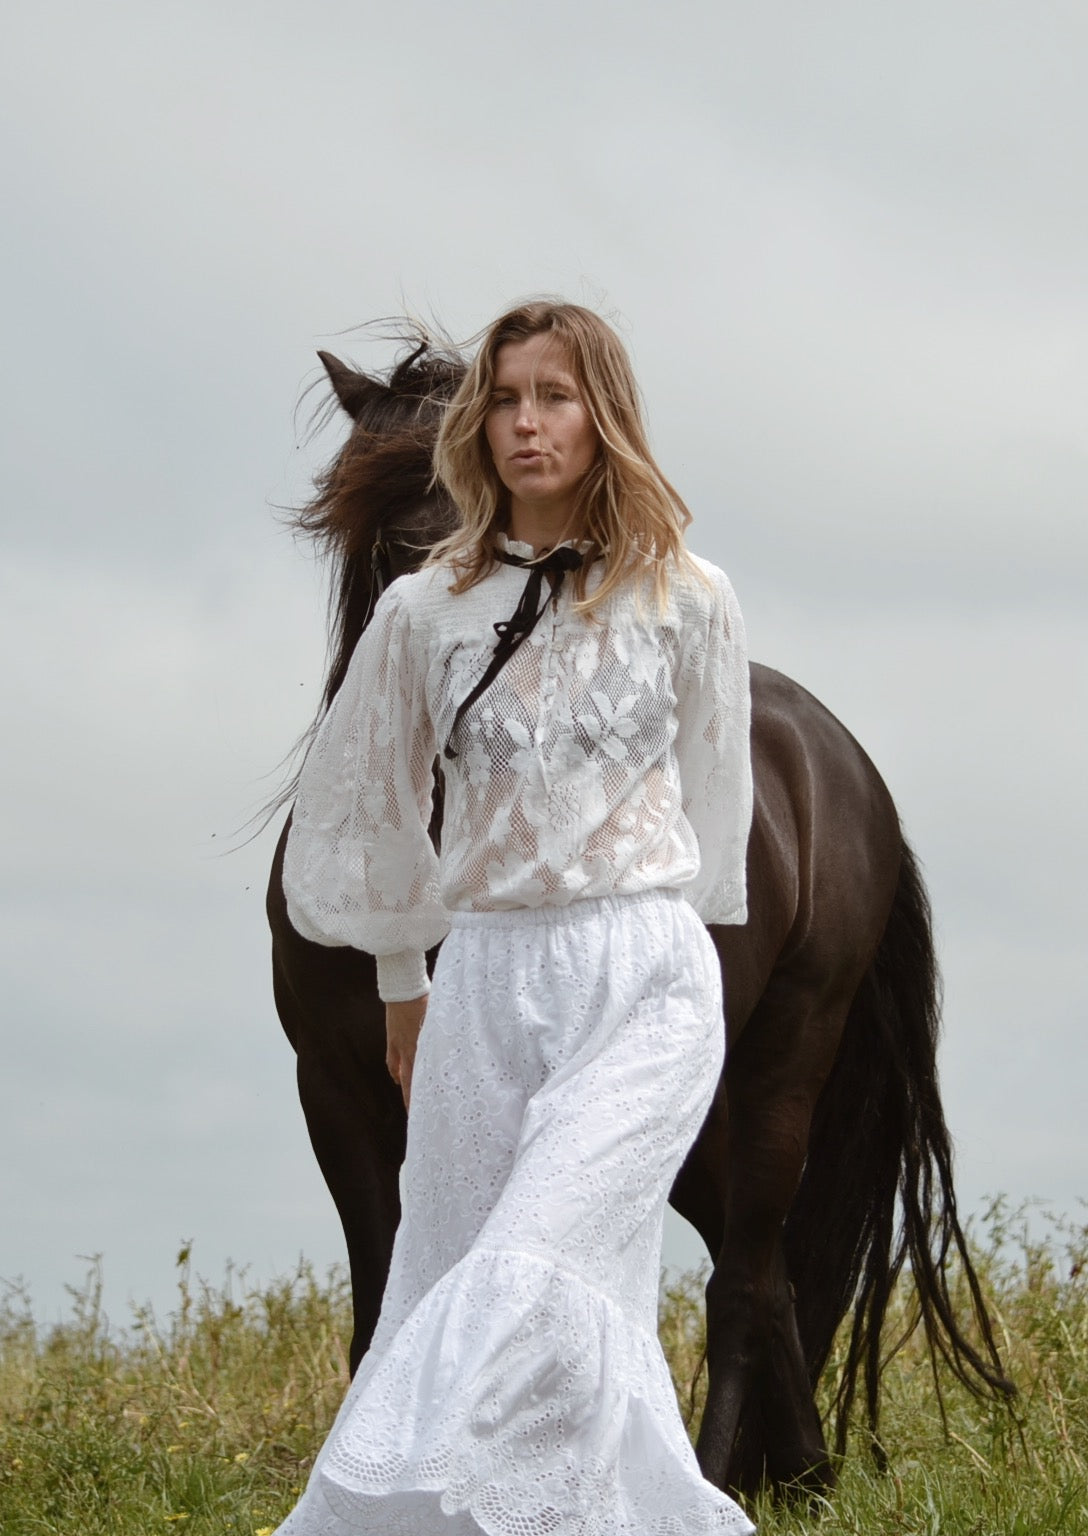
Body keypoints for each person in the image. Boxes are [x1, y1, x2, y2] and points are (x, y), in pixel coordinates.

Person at [274, 300, 755, 1536]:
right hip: (482, 983)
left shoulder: (690, 598)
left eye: (555, 394)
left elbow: (716, 803)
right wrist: (401, 978)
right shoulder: (421, 612)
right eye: (505, 398)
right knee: (469, 1274)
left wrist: (674, 963)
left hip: (642, 979)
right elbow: (371, 798)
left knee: (529, 1267)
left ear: (605, 415)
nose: (527, 423)